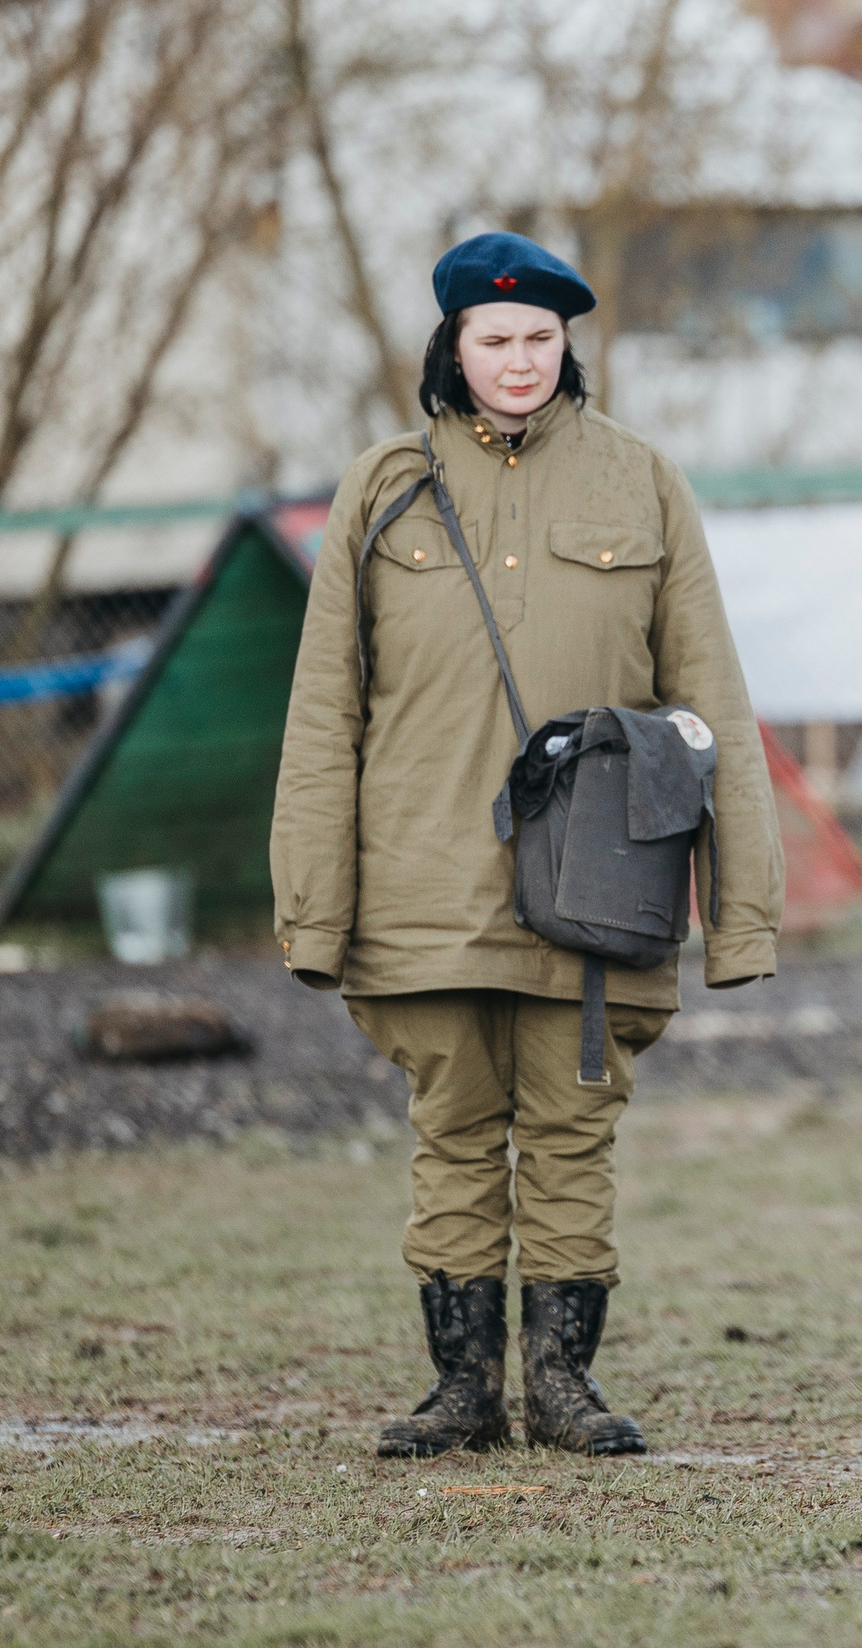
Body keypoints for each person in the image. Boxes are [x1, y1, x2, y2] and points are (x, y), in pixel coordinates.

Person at [271, 233, 782, 1461]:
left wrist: (743, 911)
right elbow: (323, 712)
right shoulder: (381, 487)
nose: (518, 360)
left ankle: (561, 1386)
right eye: (494, 339)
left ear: (568, 347)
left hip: (601, 887)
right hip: (421, 883)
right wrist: (314, 909)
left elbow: (713, 701)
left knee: (570, 1134)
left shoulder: (641, 483)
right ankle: (460, 1392)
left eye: (541, 339)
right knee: (452, 1135)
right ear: (451, 345)